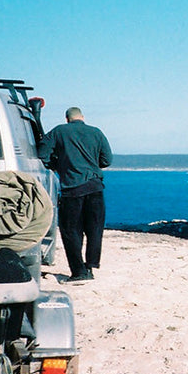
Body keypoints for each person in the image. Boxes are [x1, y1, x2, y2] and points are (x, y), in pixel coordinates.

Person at [38, 106, 112, 282]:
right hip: (95, 187)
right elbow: (107, 160)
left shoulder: (59, 131)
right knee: (94, 229)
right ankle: (90, 266)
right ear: (83, 117)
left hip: (72, 188)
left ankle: (78, 272)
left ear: (67, 119)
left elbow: (42, 153)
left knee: (71, 230)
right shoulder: (96, 132)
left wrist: (57, 165)